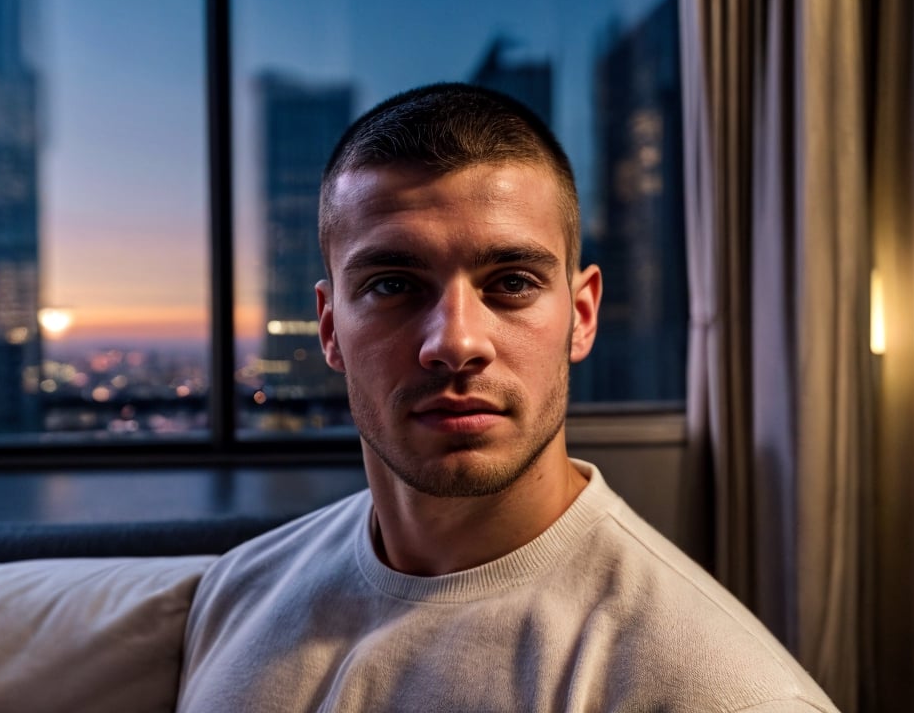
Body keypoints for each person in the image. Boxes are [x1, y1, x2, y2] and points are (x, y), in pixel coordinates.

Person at [177, 83, 838, 712]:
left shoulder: (723, 693)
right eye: (392, 285)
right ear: (329, 330)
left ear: (581, 316)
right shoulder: (239, 592)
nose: (457, 341)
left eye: (513, 282)